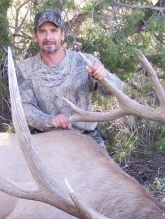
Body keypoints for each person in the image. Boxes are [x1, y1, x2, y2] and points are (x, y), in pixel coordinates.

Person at [16, 9, 123, 149]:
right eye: (42, 31)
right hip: (45, 138)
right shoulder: (25, 69)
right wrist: (50, 120)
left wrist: (104, 77)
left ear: (62, 34)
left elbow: (115, 91)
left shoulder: (84, 61)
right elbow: (24, 107)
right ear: (35, 36)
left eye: (54, 30)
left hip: (85, 136)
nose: (48, 37)